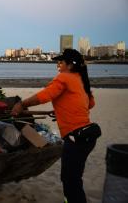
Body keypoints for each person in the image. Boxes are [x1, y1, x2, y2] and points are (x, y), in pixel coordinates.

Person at [11, 49, 101, 203]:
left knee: (70, 181)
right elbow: (90, 104)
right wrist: (61, 108)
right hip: (88, 137)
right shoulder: (80, 79)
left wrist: (22, 104)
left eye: (61, 61)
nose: (58, 64)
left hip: (75, 137)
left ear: (70, 65)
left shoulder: (65, 77)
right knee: (74, 179)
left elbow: (45, 95)